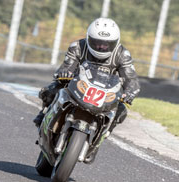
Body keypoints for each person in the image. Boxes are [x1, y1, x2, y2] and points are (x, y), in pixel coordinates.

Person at [34, 18, 140, 163]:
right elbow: (67, 65)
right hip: (77, 85)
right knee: (53, 89)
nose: (101, 47)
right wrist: (65, 73)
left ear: (116, 42)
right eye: (97, 43)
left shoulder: (122, 54)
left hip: (105, 92)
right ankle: (43, 115)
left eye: (106, 44)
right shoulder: (78, 46)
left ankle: (97, 142)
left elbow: (131, 79)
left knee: (121, 110)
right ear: (89, 38)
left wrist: (130, 92)